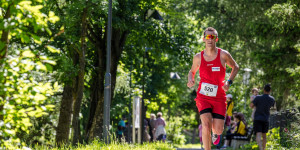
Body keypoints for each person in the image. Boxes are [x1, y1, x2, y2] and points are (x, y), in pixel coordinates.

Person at [187, 27, 239, 150]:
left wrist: (229, 82)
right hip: (203, 96)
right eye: (208, 37)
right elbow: (192, 71)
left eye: (213, 37)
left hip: (219, 96)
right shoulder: (198, 57)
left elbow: (235, 67)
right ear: (204, 39)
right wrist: (191, 79)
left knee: (219, 129)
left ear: (216, 39)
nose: (210, 39)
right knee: (206, 124)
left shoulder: (223, 54)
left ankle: (216, 133)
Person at [250, 84, 275, 150]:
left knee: (258, 134)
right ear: (270, 90)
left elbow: (251, 106)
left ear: (263, 90)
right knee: (264, 136)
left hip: (257, 118)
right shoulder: (272, 99)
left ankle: (260, 148)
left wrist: (253, 101)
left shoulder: (258, 98)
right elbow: (274, 110)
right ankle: (264, 149)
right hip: (266, 119)